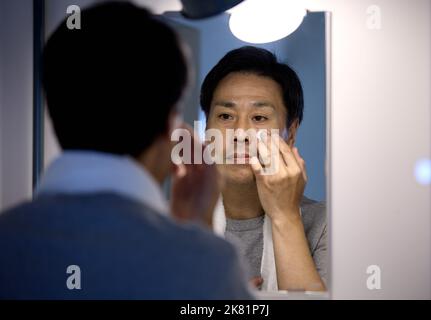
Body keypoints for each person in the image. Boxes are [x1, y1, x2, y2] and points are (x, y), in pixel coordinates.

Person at [0, 2, 252, 299]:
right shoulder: (209, 266)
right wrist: (198, 241)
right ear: (169, 123)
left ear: (54, 110)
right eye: (225, 115)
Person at [201, 46, 327, 291]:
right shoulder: (174, 224)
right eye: (226, 116)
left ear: (290, 133)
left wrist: (286, 216)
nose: (240, 134)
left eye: (259, 118)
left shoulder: (326, 224)